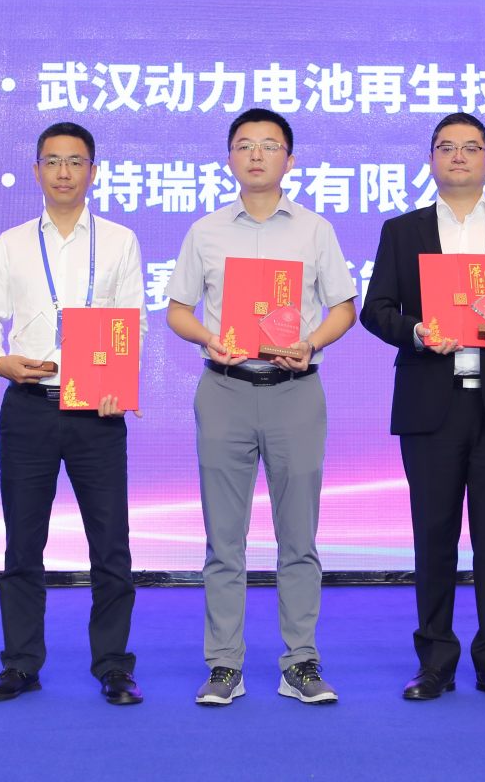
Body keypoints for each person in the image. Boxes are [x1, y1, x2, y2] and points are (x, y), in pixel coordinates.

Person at [360, 112, 485, 703]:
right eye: (446, 147)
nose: (458, 157)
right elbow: (377, 309)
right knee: (434, 535)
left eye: (470, 148)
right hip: (431, 401)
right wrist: (416, 333)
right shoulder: (403, 231)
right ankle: (435, 662)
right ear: (430, 160)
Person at [164, 108, 358, 705]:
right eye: (244, 145)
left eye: (269, 146)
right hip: (224, 389)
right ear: (229, 159)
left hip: (295, 391)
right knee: (224, 540)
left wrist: (312, 343)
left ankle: (300, 661)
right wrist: (207, 337)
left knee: (298, 537)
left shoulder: (315, 230)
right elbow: (177, 311)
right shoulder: (205, 231)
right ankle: (224, 663)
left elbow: (344, 307)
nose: (256, 155)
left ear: (289, 160)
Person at [0, 122, 146, 706]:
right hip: (29, 405)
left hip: (98, 411)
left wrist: (118, 383)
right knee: (23, 543)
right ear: (37, 170)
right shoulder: (12, 242)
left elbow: (133, 322)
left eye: (75, 161)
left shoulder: (119, 240)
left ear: (93, 171)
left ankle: (114, 665)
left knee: (111, 545)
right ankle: (20, 664)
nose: (64, 172)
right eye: (52, 161)